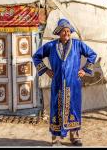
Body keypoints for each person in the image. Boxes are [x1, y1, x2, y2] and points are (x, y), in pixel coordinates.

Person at [32, 18, 97, 146]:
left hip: (73, 84)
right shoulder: (51, 46)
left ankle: (75, 137)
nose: (66, 33)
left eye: (68, 31)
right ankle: (55, 139)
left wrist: (85, 69)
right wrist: (46, 70)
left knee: (74, 109)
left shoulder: (78, 45)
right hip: (57, 84)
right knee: (56, 110)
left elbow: (92, 55)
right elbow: (36, 56)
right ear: (58, 33)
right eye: (63, 31)